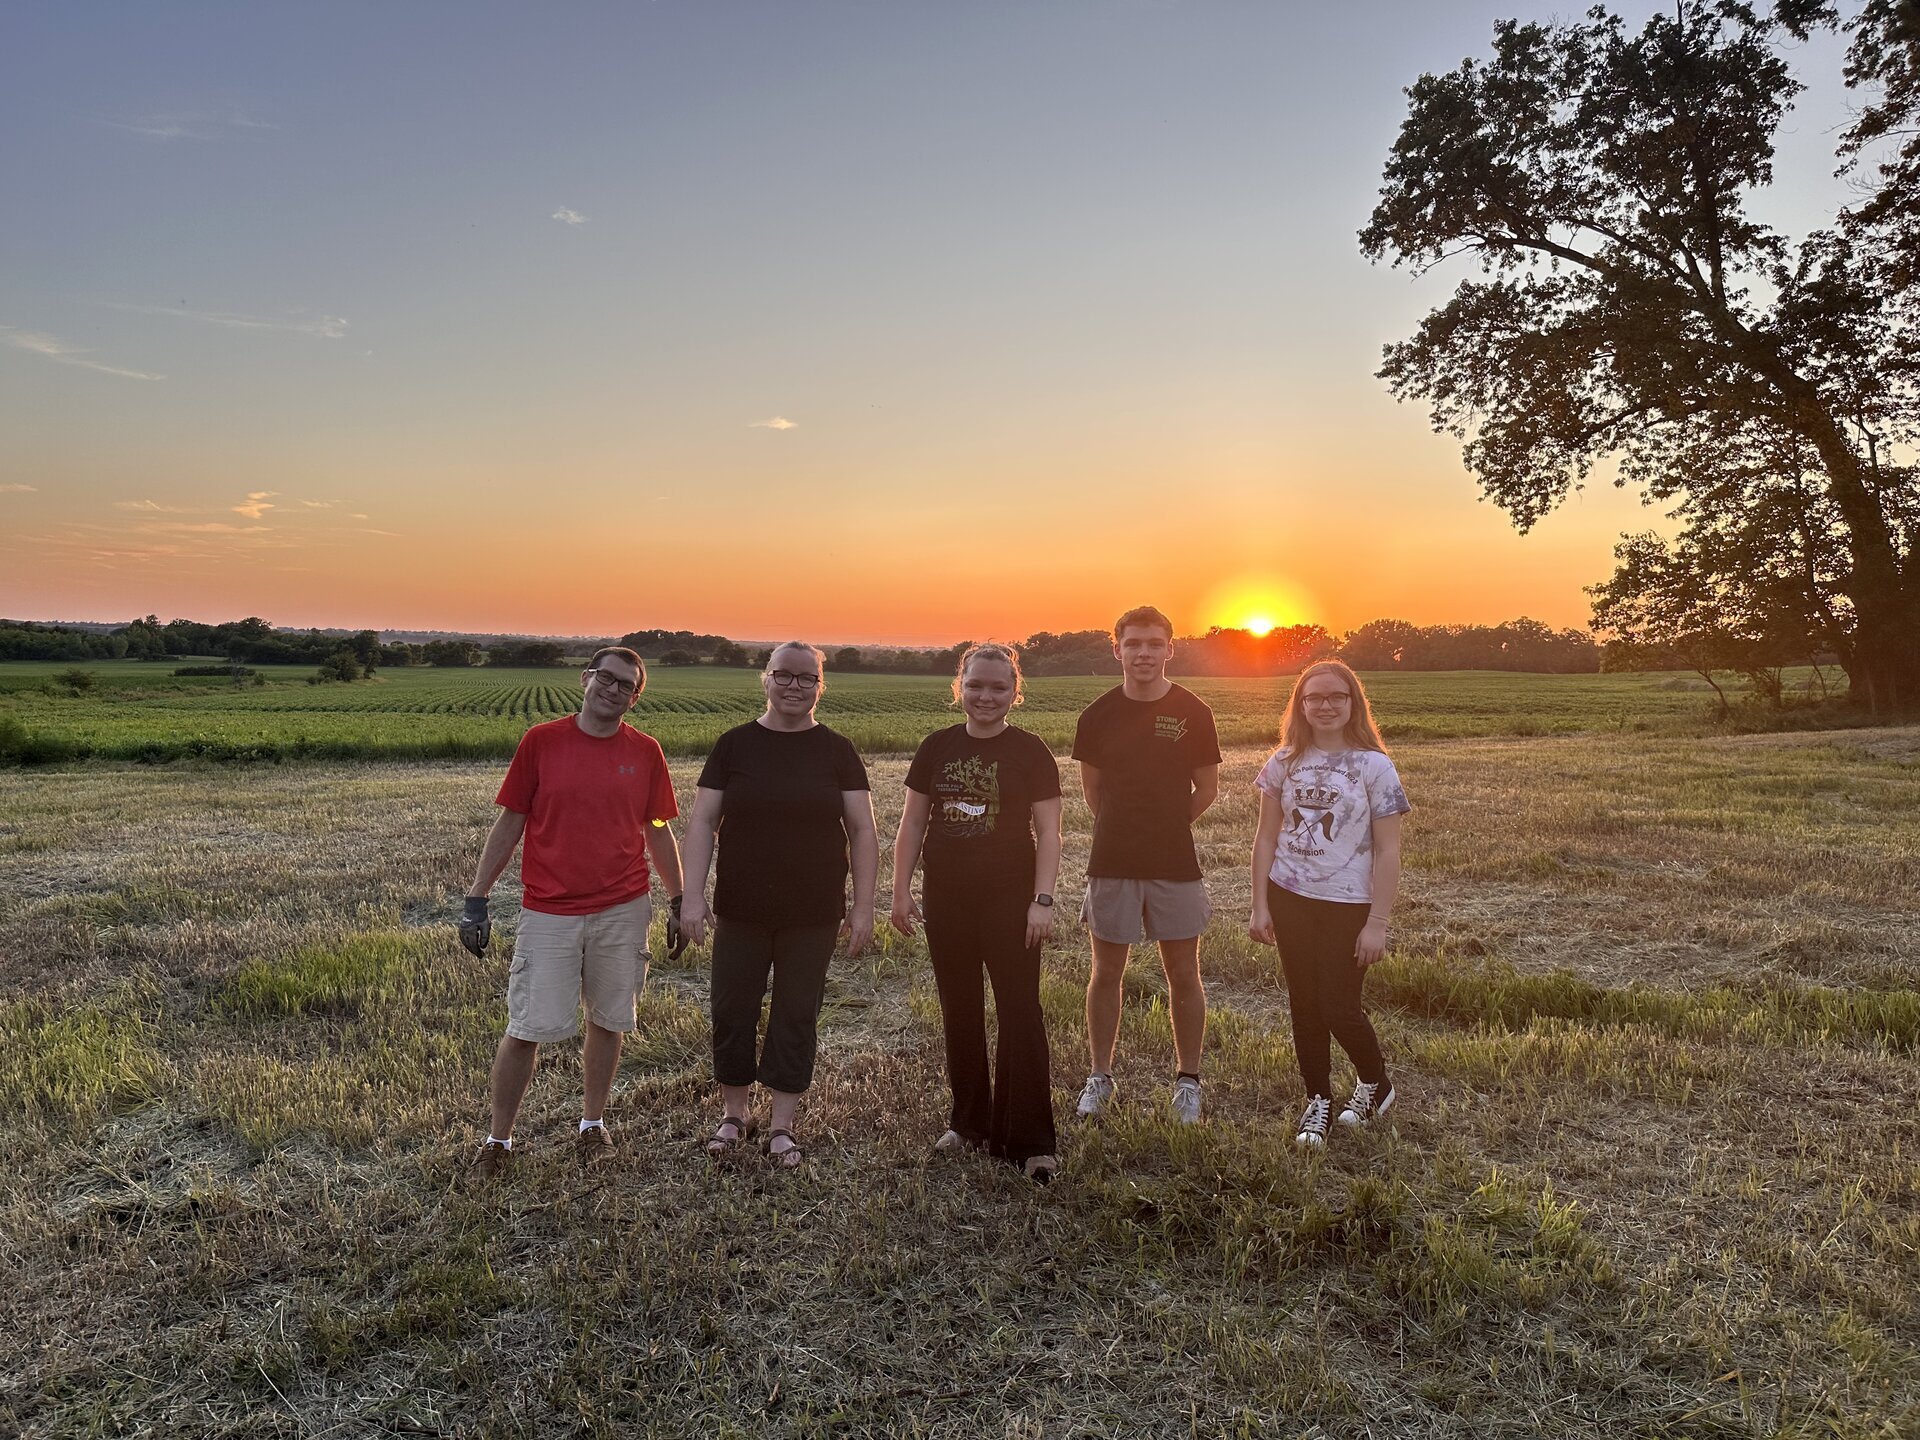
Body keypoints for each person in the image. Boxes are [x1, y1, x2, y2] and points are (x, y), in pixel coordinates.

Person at [459, 646, 684, 1176]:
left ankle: (592, 1126)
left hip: (623, 907)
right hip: (549, 910)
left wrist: (678, 899)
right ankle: (499, 1140)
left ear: (635, 698)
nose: (613, 689)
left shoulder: (646, 752)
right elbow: (511, 820)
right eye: (606, 678)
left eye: (626, 685)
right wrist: (477, 897)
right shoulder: (542, 742)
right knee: (527, 1027)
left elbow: (657, 828)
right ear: (586, 679)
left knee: (608, 1022)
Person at [679, 642, 878, 1168]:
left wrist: (862, 907)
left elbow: (862, 830)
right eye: (784, 676)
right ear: (765, 679)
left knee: (796, 1012)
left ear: (819, 686)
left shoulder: (837, 750)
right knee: (732, 1008)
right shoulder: (734, 746)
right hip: (741, 906)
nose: (794, 686)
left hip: (813, 910)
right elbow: (702, 823)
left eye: (806, 678)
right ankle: (734, 1114)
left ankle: (782, 1124)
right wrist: (692, 897)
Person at [892, 644, 1064, 1182]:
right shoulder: (936, 747)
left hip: (1012, 900)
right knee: (959, 1010)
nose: (986, 696)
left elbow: (1051, 833)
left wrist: (1042, 900)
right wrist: (900, 892)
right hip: (948, 899)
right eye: (976, 686)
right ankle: (969, 1123)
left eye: (998, 687)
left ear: (1015, 691)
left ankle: (1031, 1138)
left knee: (1019, 1011)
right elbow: (913, 825)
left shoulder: (1031, 751)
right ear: (958, 688)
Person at [1248, 659, 1410, 1148]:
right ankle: (1317, 1098)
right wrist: (1259, 903)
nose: (1324, 705)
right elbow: (1264, 837)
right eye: (1313, 697)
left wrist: (1377, 923)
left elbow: (1389, 849)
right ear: (1300, 704)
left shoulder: (1374, 766)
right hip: (1290, 896)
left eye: (1336, 696)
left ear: (1352, 703)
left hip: (1349, 905)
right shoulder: (1283, 761)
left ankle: (1376, 1082)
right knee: (1304, 1003)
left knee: (1338, 1004)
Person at [1070, 606, 1221, 1124]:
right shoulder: (1097, 715)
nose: (1144, 653)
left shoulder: (1194, 711)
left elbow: (1207, 789)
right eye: (1133, 644)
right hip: (1111, 859)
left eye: (1154, 644)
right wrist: (1127, 827)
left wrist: (1164, 827)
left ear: (1169, 649)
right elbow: (1093, 792)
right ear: (1117, 649)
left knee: (1184, 972)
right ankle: (1100, 1076)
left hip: (1175, 862)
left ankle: (1188, 1081)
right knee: (1106, 972)